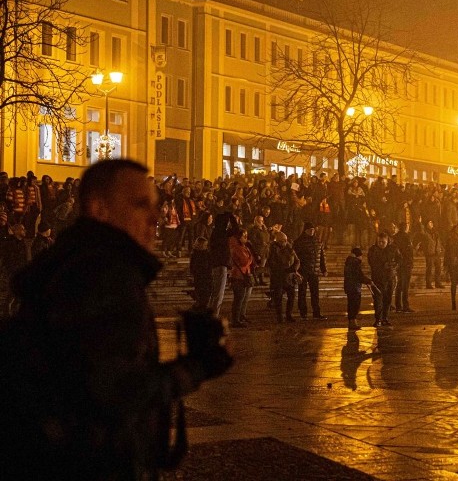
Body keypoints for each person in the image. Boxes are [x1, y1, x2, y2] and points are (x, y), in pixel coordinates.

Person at [0, 159, 231, 479]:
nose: (155, 218)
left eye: (155, 206)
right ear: (99, 208)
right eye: (139, 205)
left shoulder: (75, 265)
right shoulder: (105, 277)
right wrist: (196, 367)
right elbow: (118, 392)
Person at [293, 222, 328, 320]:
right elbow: (295, 257)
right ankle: (303, 313)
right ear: (305, 230)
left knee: (315, 293)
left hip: (314, 271)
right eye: (310, 230)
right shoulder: (299, 242)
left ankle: (316, 312)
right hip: (303, 271)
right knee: (302, 292)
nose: (312, 231)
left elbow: (321, 257)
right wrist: (296, 270)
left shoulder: (317, 241)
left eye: (313, 229)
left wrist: (324, 269)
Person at [368, 232, 401, 326]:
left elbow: (400, 259)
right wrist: (383, 265)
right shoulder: (373, 250)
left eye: (383, 242)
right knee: (378, 300)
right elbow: (372, 263)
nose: (381, 244)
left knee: (387, 299)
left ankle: (385, 318)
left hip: (390, 278)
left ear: (387, 241)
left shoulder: (393, 249)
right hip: (377, 278)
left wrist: (395, 265)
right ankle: (378, 319)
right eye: (379, 242)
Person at [267, 230, 300, 323]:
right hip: (278, 277)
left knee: (291, 296)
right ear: (277, 241)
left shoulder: (289, 248)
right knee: (278, 298)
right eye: (282, 241)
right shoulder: (273, 249)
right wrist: (283, 269)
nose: (284, 242)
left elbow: (297, 260)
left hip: (289, 277)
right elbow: (272, 263)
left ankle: (289, 314)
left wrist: (293, 269)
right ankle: (279, 316)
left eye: (285, 240)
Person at [343, 247, 372, 330]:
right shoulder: (355, 262)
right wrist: (368, 281)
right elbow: (359, 275)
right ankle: (353, 322)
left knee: (351, 305)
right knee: (355, 305)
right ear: (359, 255)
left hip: (349, 287)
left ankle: (352, 322)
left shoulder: (349, 262)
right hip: (354, 287)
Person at [390, 221, 415, 312]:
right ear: (405, 228)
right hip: (405, 264)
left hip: (399, 264)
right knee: (405, 286)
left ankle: (398, 305)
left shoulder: (395, 237)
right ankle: (405, 305)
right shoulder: (406, 237)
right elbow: (409, 252)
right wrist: (410, 262)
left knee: (399, 285)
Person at [189, 236, 212, 311]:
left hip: (205, 278)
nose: (206, 246)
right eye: (204, 245)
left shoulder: (205, 253)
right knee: (203, 297)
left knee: (204, 297)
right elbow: (193, 267)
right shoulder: (198, 254)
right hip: (201, 278)